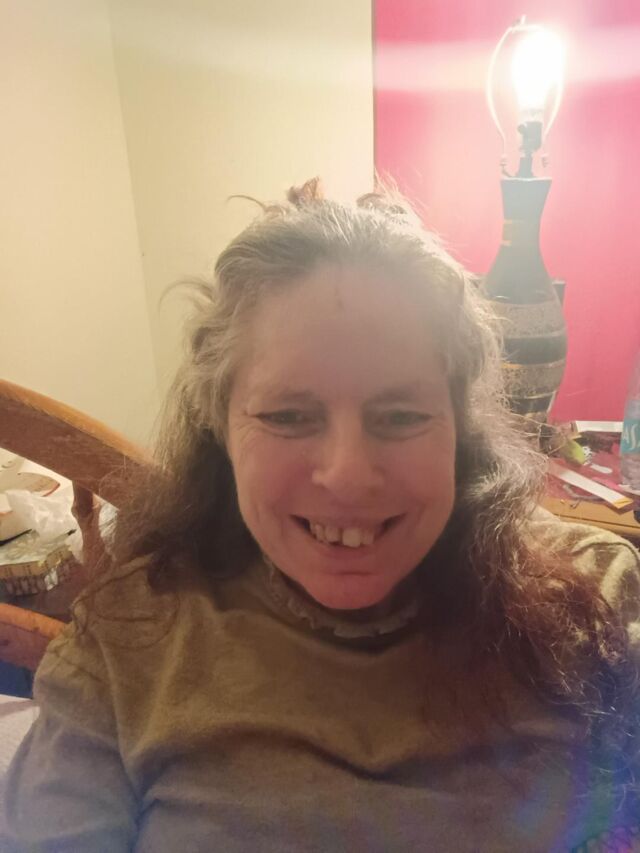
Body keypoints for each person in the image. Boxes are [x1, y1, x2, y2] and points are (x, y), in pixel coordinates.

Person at [4, 179, 640, 852]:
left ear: (459, 429)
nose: (347, 474)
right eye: (287, 416)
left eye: (401, 416)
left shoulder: (591, 603)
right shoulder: (125, 647)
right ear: (220, 426)